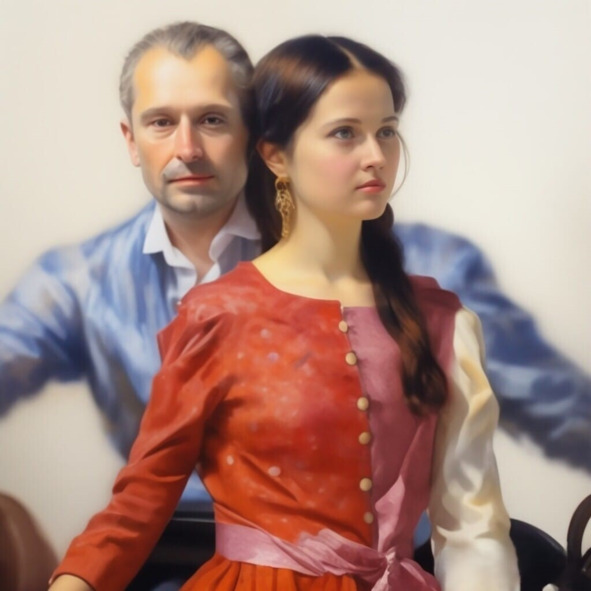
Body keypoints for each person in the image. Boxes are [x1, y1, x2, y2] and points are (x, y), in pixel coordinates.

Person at [0, 21, 588, 487]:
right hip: (163, 559)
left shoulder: (425, 270)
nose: (187, 148)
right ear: (131, 139)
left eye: (212, 120)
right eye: (160, 123)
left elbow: (556, 408)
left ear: (257, 137)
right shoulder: (75, 280)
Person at [48, 34, 520, 591]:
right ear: (275, 154)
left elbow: (472, 527)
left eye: (387, 131)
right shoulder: (219, 316)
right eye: (346, 133)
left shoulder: (440, 322)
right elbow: (143, 496)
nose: (376, 155)